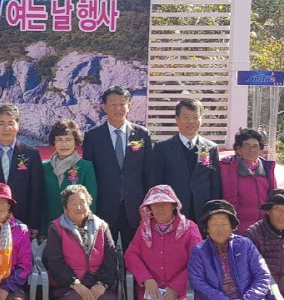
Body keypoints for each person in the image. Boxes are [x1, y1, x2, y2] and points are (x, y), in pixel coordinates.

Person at [83, 86, 153, 246]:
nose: (118, 108)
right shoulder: (93, 136)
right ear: (104, 107)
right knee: (105, 252)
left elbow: (149, 172)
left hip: (135, 206)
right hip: (104, 206)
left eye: (122, 104)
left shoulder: (142, 134)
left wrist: (149, 204)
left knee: (134, 253)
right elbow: (89, 174)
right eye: (113, 104)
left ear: (129, 106)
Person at [0, 105, 45, 237]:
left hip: (22, 222)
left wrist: (34, 223)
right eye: (1, 123)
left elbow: (36, 192)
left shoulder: (31, 154)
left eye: (11, 123)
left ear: (18, 126)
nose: (6, 128)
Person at [151, 98, 221, 221]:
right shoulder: (162, 148)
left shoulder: (211, 148)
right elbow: (156, 183)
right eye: (186, 117)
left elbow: (215, 185)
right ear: (177, 119)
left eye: (195, 117)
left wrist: (215, 211)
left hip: (203, 211)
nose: (191, 122)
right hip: (173, 211)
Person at [42, 119, 97, 231]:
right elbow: (39, 200)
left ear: (76, 142)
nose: (64, 144)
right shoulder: (44, 167)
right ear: (54, 142)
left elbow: (91, 201)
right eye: (59, 140)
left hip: (77, 228)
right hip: (49, 227)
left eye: (68, 140)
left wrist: (87, 227)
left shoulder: (85, 167)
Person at [219, 128, 277, 233]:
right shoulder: (226, 169)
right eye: (247, 146)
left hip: (263, 228)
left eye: (255, 146)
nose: (252, 150)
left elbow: (274, 197)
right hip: (236, 227)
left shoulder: (267, 168)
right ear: (238, 149)